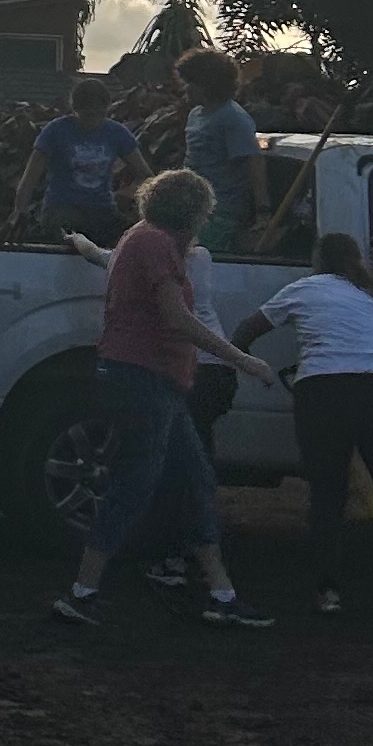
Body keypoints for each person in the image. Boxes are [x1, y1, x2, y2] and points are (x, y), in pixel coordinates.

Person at [52, 168, 280, 631]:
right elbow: (176, 318)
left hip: (150, 380)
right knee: (136, 483)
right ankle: (82, 592)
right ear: (193, 212)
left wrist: (80, 243)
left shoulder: (139, 238)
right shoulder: (156, 245)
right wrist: (242, 359)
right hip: (145, 379)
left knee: (193, 479)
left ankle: (221, 593)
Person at [236, 230, 373, 619]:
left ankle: (328, 591)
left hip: (323, 390)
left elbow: (249, 329)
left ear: (318, 261)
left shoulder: (304, 289)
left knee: (327, 494)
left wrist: (238, 362)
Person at [13, 74, 148, 246]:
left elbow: (145, 174)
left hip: (102, 209)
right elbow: (30, 176)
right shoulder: (56, 131)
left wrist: (128, 193)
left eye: (100, 114)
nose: (94, 121)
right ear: (76, 110)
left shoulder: (116, 133)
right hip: (63, 208)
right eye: (88, 115)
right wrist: (20, 211)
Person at [178, 47, 267, 254]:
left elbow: (254, 163)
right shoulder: (195, 115)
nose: (186, 89)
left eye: (191, 83)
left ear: (208, 85)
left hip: (222, 211)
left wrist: (263, 211)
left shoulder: (233, 118)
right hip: (193, 206)